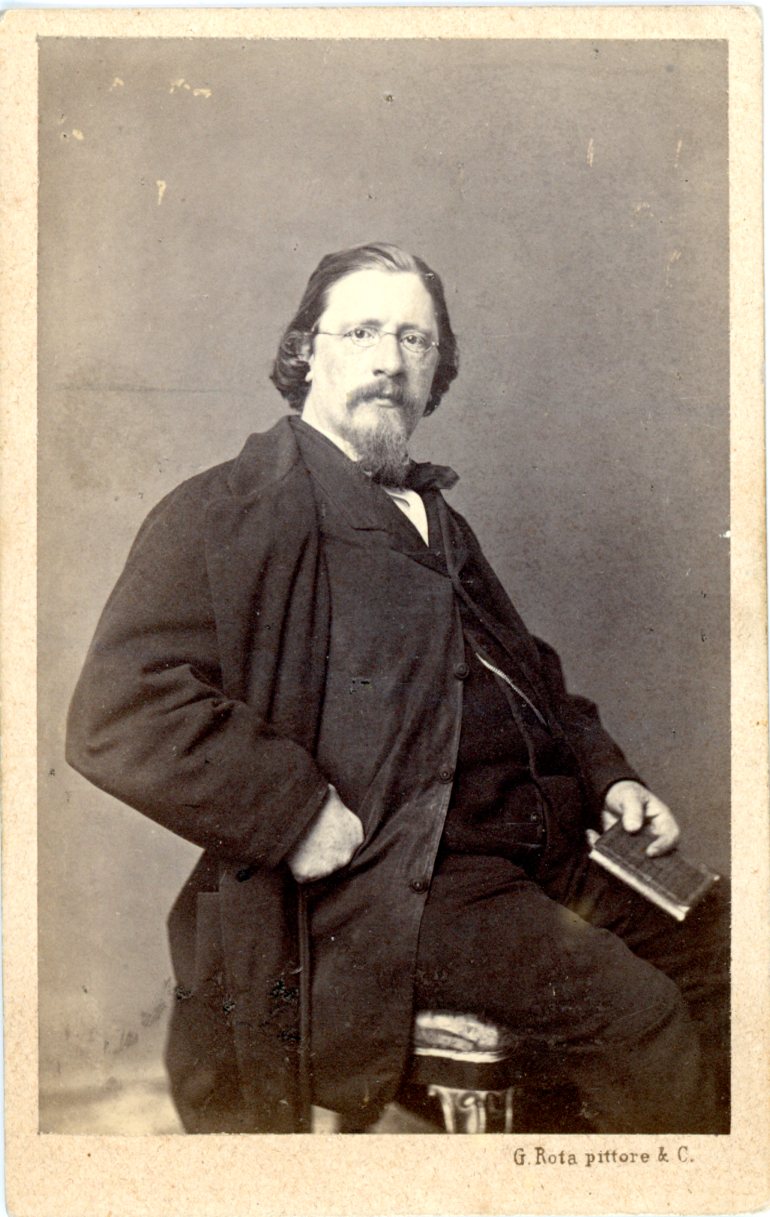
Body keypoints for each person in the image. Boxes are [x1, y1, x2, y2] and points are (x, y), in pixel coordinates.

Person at [66, 242, 729, 1135]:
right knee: (636, 1016)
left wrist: (611, 778)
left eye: (415, 340)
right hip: (400, 886)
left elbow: (530, 675)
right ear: (306, 353)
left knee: (729, 952)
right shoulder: (230, 507)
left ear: (436, 369)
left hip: (546, 856)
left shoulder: (433, 515)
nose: (389, 361)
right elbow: (121, 705)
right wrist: (293, 813)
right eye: (363, 332)